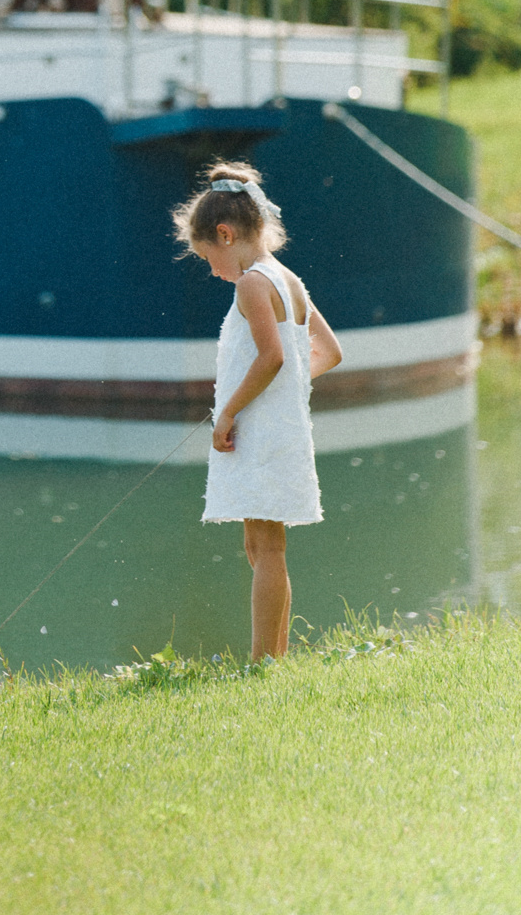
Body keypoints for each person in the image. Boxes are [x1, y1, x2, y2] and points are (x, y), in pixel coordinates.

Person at [172, 161, 343, 663]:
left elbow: (273, 357)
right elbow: (328, 352)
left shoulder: (250, 284)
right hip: (282, 427)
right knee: (263, 546)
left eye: (207, 256)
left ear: (224, 234)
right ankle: (277, 656)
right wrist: (284, 393)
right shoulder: (289, 279)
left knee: (266, 549)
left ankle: (262, 662)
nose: (211, 270)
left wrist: (227, 413)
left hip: (261, 431)